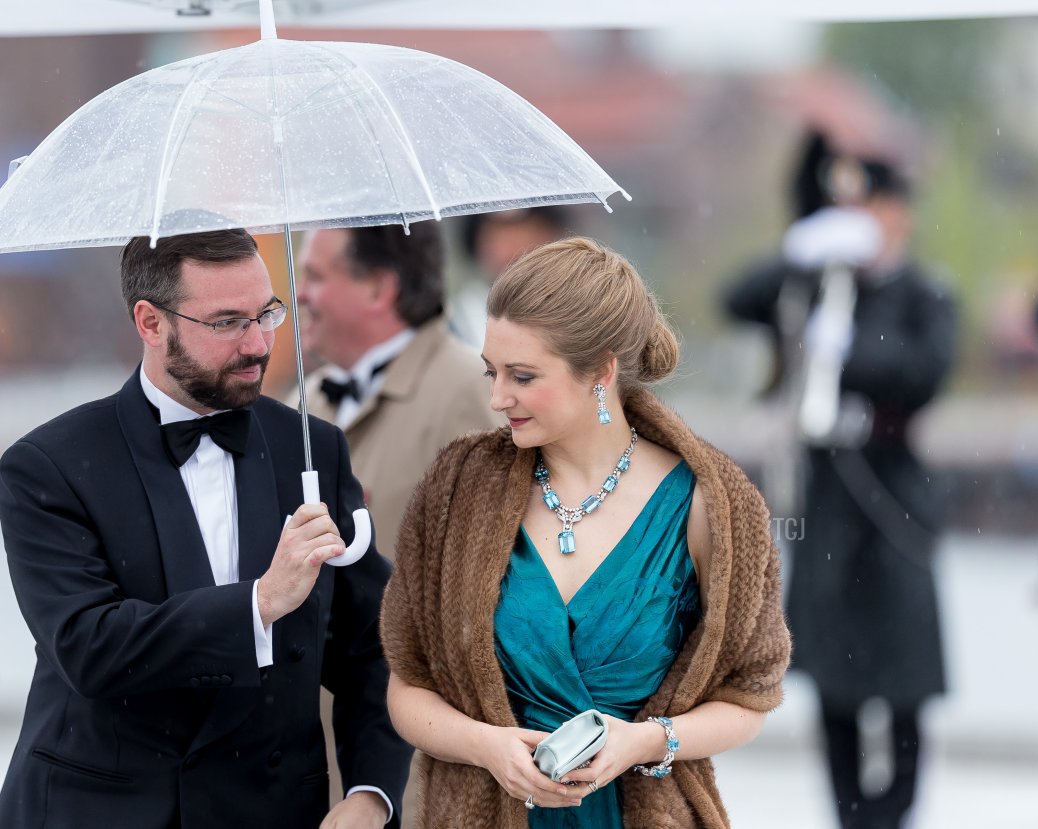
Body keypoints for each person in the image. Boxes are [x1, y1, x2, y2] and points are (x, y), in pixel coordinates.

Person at [379, 237, 791, 828]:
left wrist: (646, 741)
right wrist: (486, 747)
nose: (496, 398)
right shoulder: (454, 489)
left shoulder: (713, 505)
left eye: (522, 376)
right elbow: (406, 685)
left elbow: (750, 697)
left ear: (601, 370)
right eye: (491, 372)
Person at [0, 229, 406, 828]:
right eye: (226, 322)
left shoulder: (312, 448)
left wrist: (372, 793)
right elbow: (90, 648)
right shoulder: (48, 465)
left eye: (266, 313)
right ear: (150, 322)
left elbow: (374, 645)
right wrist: (260, 604)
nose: (259, 343)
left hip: (272, 810)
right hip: (100, 810)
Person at [725, 131, 956, 829]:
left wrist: (850, 353)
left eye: (877, 206)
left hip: (892, 495)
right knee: (833, 678)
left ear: (900, 213)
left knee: (907, 678)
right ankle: (850, 814)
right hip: (825, 500)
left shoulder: (922, 292)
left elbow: (922, 372)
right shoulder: (817, 281)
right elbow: (737, 299)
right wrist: (801, 249)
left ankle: (896, 811)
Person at [297, 222, 499, 554]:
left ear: (378, 288)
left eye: (315, 276)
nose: (301, 293)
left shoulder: (471, 389)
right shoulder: (306, 398)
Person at [449, 206, 570, 348]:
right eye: (497, 238)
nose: (511, 251)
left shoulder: (580, 305)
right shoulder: (460, 317)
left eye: (525, 233)